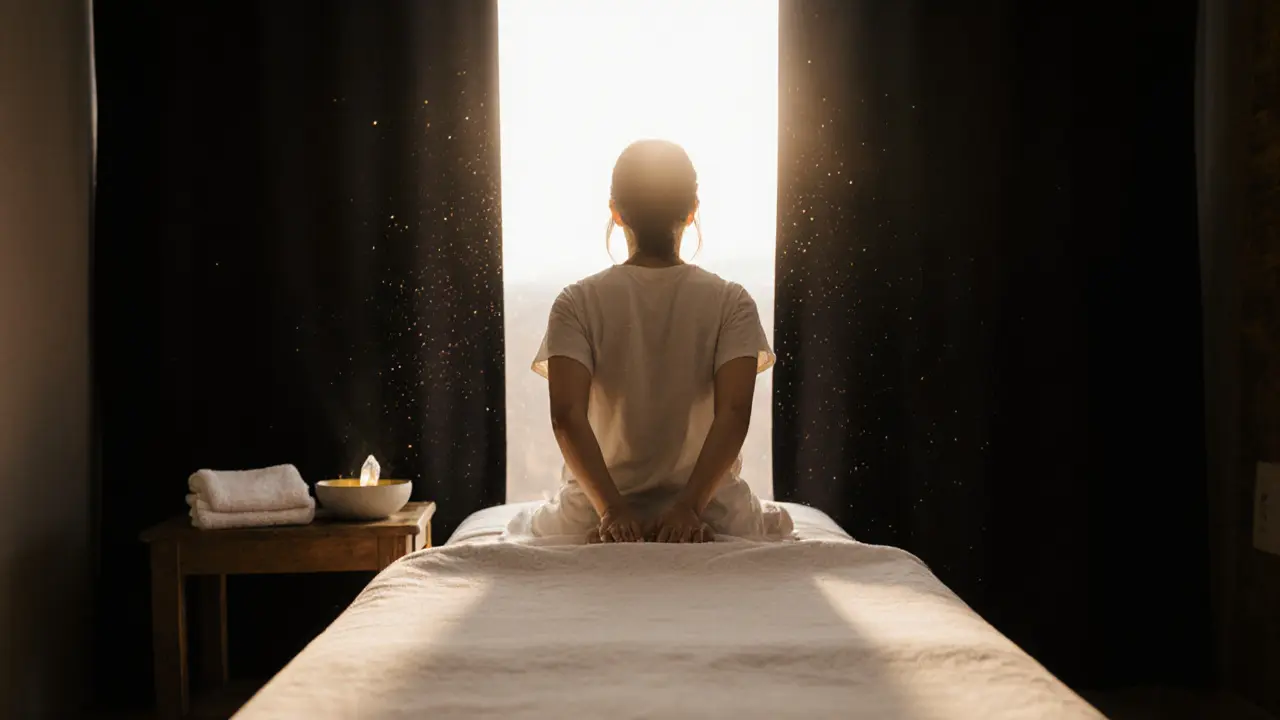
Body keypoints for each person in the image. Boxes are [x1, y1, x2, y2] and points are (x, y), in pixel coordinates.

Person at [505, 139, 793, 544]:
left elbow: (567, 416)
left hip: (591, 514)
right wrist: (689, 508)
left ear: (616, 212)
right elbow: (733, 414)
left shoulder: (576, 302)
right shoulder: (732, 302)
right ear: (692, 210)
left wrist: (612, 509)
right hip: (713, 513)